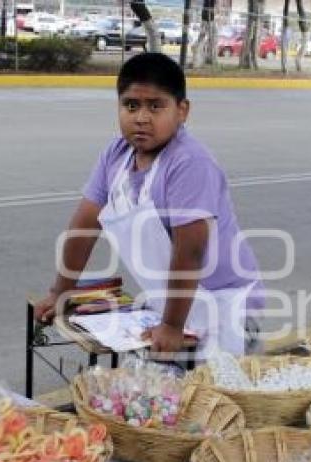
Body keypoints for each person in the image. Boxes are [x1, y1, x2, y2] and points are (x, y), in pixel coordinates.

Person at [34, 52, 263, 357]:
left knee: (212, 400)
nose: (141, 118)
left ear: (182, 111)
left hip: (225, 310)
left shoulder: (189, 163)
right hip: (173, 305)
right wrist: (60, 291)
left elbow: (190, 252)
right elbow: (84, 226)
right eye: (131, 105)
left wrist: (171, 326)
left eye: (155, 106)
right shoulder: (115, 155)